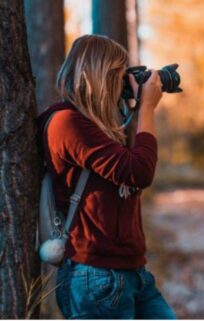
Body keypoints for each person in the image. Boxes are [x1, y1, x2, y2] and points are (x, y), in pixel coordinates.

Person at [37, 35, 176, 319]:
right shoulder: (67, 122)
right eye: (118, 73)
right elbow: (139, 172)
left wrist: (135, 108)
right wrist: (147, 107)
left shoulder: (96, 126)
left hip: (131, 272)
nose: (122, 81)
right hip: (96, 276)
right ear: (101, 74)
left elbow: (128, 166)